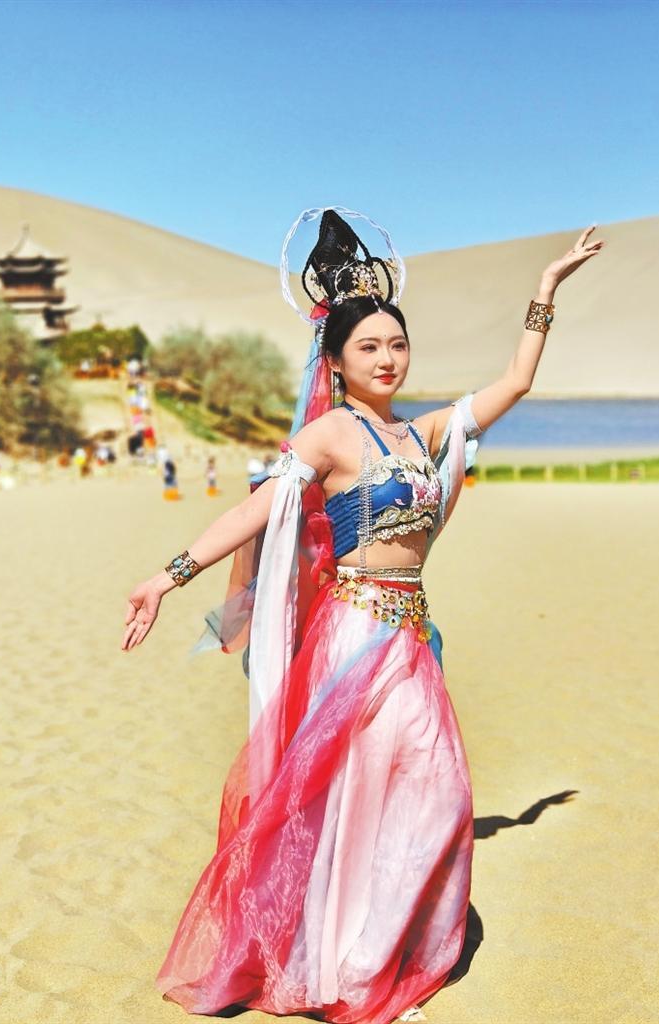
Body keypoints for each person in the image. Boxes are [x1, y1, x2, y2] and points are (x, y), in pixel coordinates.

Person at [121, 207, 604, 1024]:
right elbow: (255, 510)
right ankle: (345, 967)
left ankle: (372, 954)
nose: (386, 358)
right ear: (337, 361)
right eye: (369, 346)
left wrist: (545, 289)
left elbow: (515, 384)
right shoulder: (329, 436)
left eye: (396, 343)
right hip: (354, 631)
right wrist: (167, 577)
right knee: (356, 795)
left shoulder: (423, 433)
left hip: (410, 632)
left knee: (432, 794)